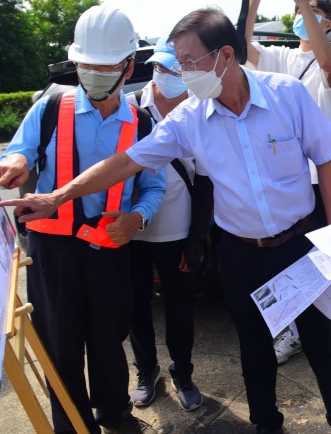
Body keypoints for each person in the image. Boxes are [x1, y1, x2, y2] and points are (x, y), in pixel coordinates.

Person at [0, 8, 331, 434]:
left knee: (322, 343)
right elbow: (126, 162)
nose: (181, 72)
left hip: (300, 245)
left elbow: (325, 162)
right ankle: (267, 425)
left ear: (225, 55)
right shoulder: (189, 120)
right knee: (254, 349)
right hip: (242, 253)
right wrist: (59, 196)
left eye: (188, 62)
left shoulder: (288, 95)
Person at [0, 5, 166, 434]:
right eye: (86, 65)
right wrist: (14, 161)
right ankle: (72, 425)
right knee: (59, 346)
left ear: (128, 68)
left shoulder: (143, 123)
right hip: (53, 251)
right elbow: (18, 150)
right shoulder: (50, 107)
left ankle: (115, 414)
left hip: (108, 248)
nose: (95, 74)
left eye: (106, 67)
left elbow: (154, 187)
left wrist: (137, 220)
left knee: (108, 341)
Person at [244, 0, 331, 365]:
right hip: (283, 178)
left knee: (318, 258)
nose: (301, 15)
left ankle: (322, 331)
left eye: (310, 12)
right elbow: (241, 47)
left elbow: (324, 60)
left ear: (327, 22)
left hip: (318, 177)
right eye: (297, 10)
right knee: (284, 260)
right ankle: (291, 332)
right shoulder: (282, 57)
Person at [125, 36, 214, 412]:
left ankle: (183, 373)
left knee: (179, 308)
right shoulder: (129, 110)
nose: (169, 76)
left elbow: (206, 181)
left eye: (178, 70)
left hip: (176, 231)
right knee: (134, 306)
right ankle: (147, 371)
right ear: (153, 69)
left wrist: (197, 240)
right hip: (132, 229)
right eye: (163, 68)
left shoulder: (201, 111)